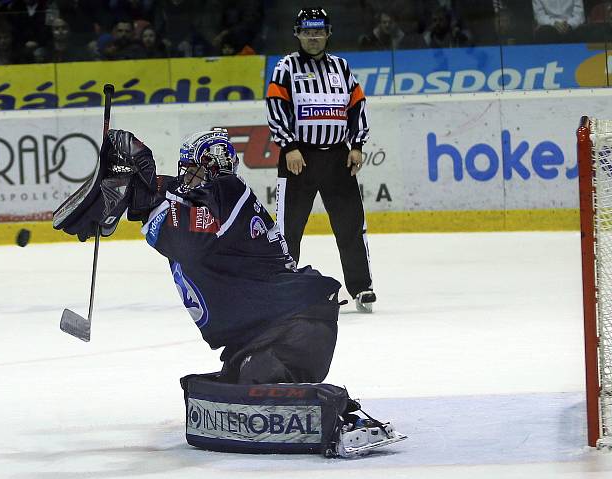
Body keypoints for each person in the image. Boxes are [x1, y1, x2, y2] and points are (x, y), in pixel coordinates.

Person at [52, 127, 406, 457]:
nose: (190, 180)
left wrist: (140, 184)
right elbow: (170, 197)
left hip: (295, 326)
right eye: (188, 172)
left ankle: (343, 418)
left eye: (199, 171)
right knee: (225, 395)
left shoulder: (229, 192)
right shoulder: (203, 200)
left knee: (255, 385)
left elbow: (188, 239)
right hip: (265, 334)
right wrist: (127, 186)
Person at [266, 8, 376, 313]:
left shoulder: (341, 67)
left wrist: (357, 144)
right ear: (298, 33)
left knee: (351, 225)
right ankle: (282, 286)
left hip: (339, 158)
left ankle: (362, 287)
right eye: (307, 31)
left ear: (328, 33)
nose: (313, 37)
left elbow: (357, 105)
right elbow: (276, 107)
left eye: (318, 31)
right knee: (289, 228)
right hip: (298, 158)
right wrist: (289, 146)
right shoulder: (285, 67)